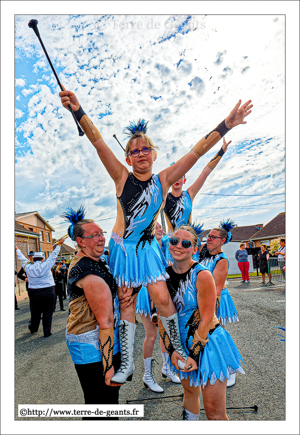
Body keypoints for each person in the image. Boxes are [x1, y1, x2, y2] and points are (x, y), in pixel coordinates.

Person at [60, 86, 252, 383]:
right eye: (133, 151)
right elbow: (98, 143)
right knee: (125, 301)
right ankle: (125, 364)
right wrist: (78, 109)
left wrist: (226, 124)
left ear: (153, 153)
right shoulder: (122, 178)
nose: (140, 154)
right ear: (128, 158)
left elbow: (196, 153)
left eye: (145, 149)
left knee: (163, 300)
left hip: (148, 249)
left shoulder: (164, 180)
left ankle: (177, 350)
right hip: (124, 248)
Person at [159, 225, 244, 420]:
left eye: (186, 243)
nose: (178, 246)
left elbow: (207, 318)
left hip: (208, 343)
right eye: (174, 241)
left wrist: (195, 355)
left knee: (214, 411)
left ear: (195, 249)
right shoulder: (162, 277)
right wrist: (172, 351)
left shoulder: (202, 274)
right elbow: (162, 318)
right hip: (181, 344)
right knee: (190, 393)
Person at [62, 207, 122, 420]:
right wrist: (108, 367)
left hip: (101, 340)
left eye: (101, 233)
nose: (100, 238)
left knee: (108, 401)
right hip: (91, 344)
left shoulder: (97, 261)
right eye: (94, 235)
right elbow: (105, 322)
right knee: (100, 403)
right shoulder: (89, 273)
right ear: (80, 241)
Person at [162, 137, 231, 264]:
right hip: (172, 242)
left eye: (180, 177)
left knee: (191, 278)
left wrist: (220, 152)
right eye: (174, 176)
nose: (177, 179)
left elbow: (205, 172)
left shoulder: (189, 194)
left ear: (184, 180)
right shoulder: (163, 196)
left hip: (189, 241)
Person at [135, 222, 180, 392]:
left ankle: (167, 368)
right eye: (156, 227)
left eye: (161, 227)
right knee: (151, 335)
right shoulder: (145, 245)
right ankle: (147, 375)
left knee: (165, 334)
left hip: (161, 292)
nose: (160, 229)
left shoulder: (161, 244)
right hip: (147, 294)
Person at [198, 220, 239, 387]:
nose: (209, 239)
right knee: (211, 337)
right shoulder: (205, 255)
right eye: (208, 236)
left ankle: (231, 370)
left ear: (222, 241)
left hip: (216, 300)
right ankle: (215, 368)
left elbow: (216, 290)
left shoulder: (222, 260)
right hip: (204, 300)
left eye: (213, 237)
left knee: (218, 334)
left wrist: (210, 313)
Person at [15, 240, 65, 337]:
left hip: (34, 292)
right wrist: (59, 244)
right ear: (42, 259)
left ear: (33, 260)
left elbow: (21, 258)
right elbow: (54, 255)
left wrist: (16, 249)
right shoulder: (46, 264)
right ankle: (47, 332)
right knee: (48, 311)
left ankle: (33, 328)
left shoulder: (28, 266)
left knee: (35, 311)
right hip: (48, 290)